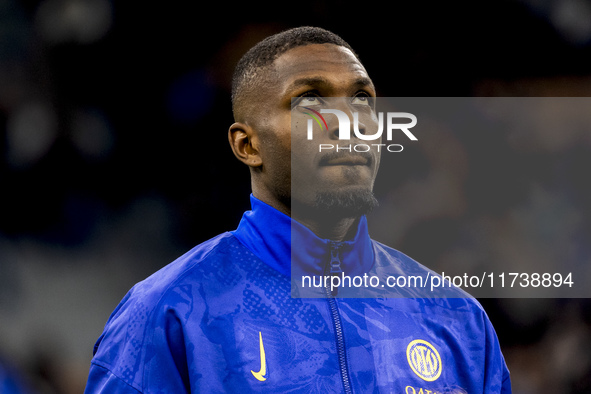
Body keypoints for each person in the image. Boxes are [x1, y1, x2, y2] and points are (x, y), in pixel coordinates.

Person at [84, 26, 511, 393]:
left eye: (362, 99)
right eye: (310, 100)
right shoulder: (170, 312)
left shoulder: (456, 318)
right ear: (247, 145)